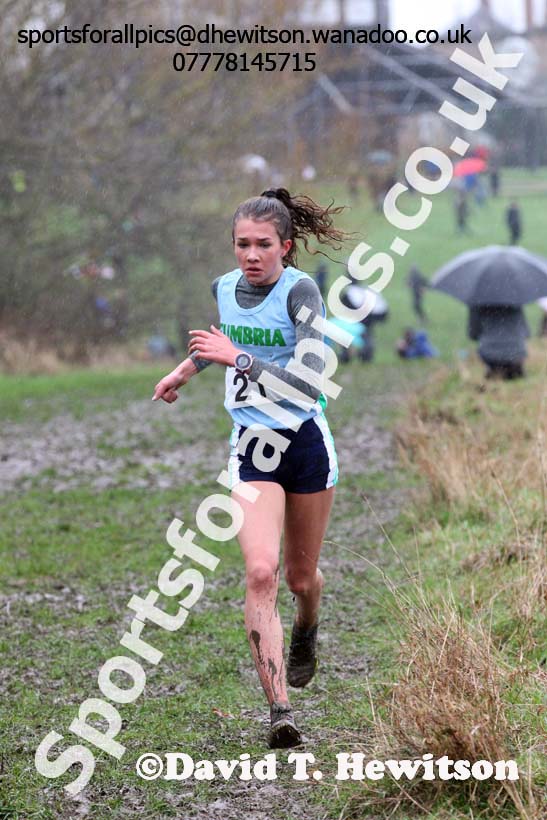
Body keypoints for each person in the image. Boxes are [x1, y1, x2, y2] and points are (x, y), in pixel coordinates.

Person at [152, 188, 347, 748]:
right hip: (252, 446)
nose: (252, 254)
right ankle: (280, 710)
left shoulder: (301, 292)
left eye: (263, 244)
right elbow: (222, 341)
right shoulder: (224, 288)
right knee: (260, 572)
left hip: (305, 444)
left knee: (299, 578)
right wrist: (185, 371)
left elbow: (309, 380)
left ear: (285, 247)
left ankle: (308, 626)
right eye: (242, 244)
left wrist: (231, 357)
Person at [467, 305, 530, 379]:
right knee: (514, 366)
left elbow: (473, 334)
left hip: (490, 354)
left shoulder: (477, 304)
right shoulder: (515, 302)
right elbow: (526, 332)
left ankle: (495, 372)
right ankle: (514, 371)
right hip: (516, 352)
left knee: (495, 366)